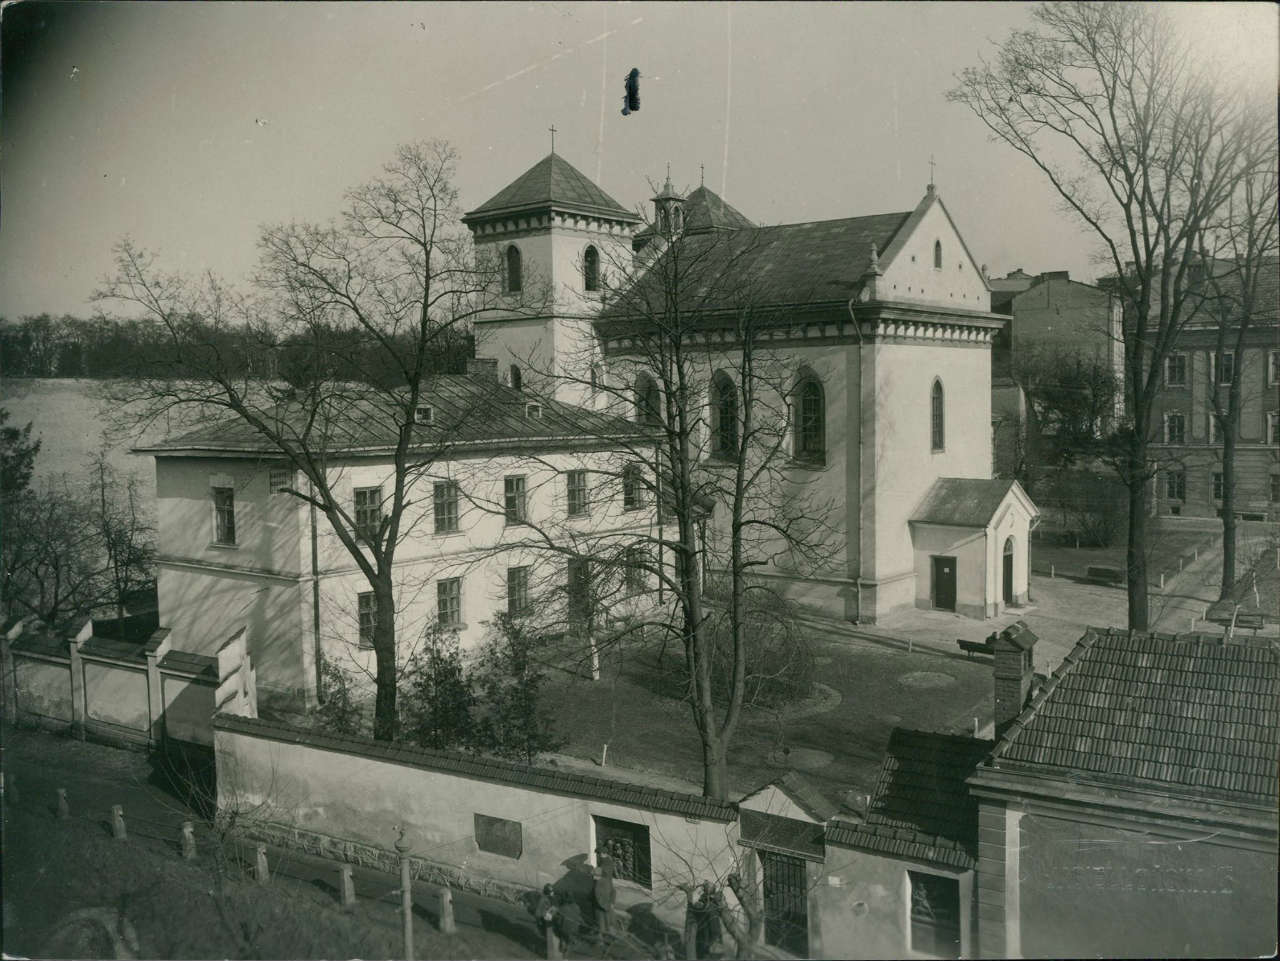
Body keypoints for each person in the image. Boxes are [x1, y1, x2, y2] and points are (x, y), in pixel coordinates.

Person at [592, 845, 617, 943]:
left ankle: (600, 938)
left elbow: (595, 880)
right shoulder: (610, 862)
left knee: (600, 916)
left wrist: (593, 872)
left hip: (601, 893)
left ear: (602, 854)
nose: (597, 856)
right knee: (608, 915)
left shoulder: (601, 865)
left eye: (598, 854)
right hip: (609, 890)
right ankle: (610, 935)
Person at [554, 890, 582, 955]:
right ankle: (569, 944)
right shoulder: (577, 907)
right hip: (574, 931)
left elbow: (549, 917)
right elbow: (579, 919)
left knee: (559, 929)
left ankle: (563, 945)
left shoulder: (561, 908)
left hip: (564, 931)